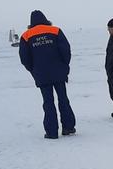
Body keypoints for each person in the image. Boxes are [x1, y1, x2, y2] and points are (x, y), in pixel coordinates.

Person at [19, 10, 76, 139]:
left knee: (48, 102)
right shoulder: (55, 31)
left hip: (41, 74)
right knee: (63, 99)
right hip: (59, 72)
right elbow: (66, 50)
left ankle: (51, 132)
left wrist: (33, 70)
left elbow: (24, 58)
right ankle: (68, 127)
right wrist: (64, 66)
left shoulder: (26, 36)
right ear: (45, 19)